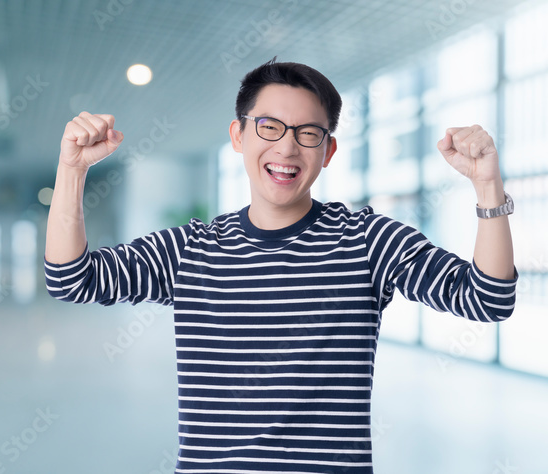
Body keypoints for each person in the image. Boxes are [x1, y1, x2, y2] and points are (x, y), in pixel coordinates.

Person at [43, 58, 517, 473]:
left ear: (328, 151)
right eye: (269, 127)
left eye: (308, 134)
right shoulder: (191, 250)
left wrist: (487, 185)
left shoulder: (367, 241)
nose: (287, 149)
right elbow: (71, 279)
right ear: (238, 135)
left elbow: (488, 298)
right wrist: (72, 170)